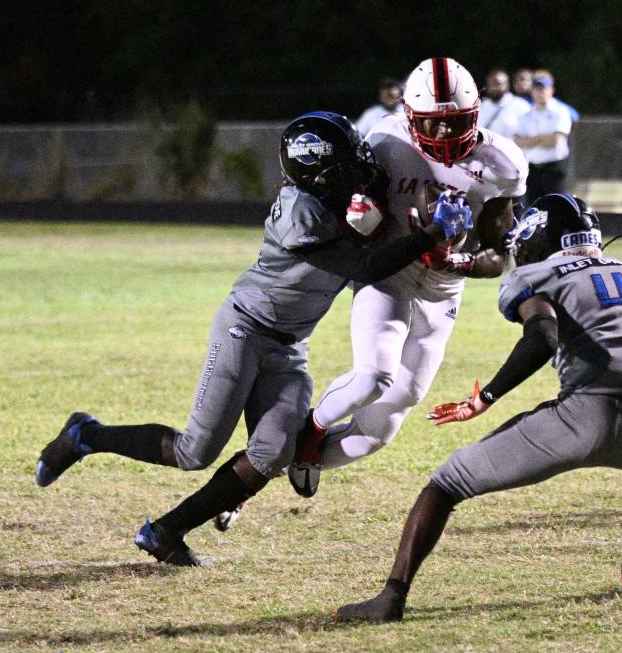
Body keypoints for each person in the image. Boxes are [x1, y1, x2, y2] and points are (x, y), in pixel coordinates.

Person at [33, 111, 469, 565]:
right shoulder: (300, 211)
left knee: (271, 454)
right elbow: (365, 267)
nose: (358, 172)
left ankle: (165, 531)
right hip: (246, 329)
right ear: (317, 175)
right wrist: (433, 234)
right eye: (344, 168)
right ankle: (87, 434)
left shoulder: (347, 187)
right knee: (193, 452)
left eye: (356, 158)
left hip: (291, 346)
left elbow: (395, 186)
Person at [334, 194, 622, 623]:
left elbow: (542, 338)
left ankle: (390, 597)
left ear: (539, 233)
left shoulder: (537, 276)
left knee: (445, 484)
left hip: (588, 419)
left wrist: (485, 398)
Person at [216, 57, 527, 521]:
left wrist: (457, 259)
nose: (443, 136)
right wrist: (361, 217)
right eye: (433, 124)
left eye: (455, 123)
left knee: (382, 426)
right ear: (410, 115)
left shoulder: (503, 163)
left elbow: (500, 254)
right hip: (389, 275)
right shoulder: (386, 141)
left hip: (442, 292)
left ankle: (261, 468)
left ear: (476, 113)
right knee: (372, 376)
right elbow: (335, 204)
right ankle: (309, 432)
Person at [514, 71, 573, 207]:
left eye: (543, 89)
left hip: (554, 168)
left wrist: (529, 141)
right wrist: (542, 138)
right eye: (537, 89)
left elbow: (553, 141)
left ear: (551, 90)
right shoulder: (526, 116)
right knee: (534, 208)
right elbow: (518, 142)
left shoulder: (561, 111)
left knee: (557, 208)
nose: (540, 92)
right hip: (533, 169)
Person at [478, 67, 531, 139]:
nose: (494, 87)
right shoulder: (482, 106)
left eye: (498, 84)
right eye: (491, 84)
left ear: (507, 85)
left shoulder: (520, 105)